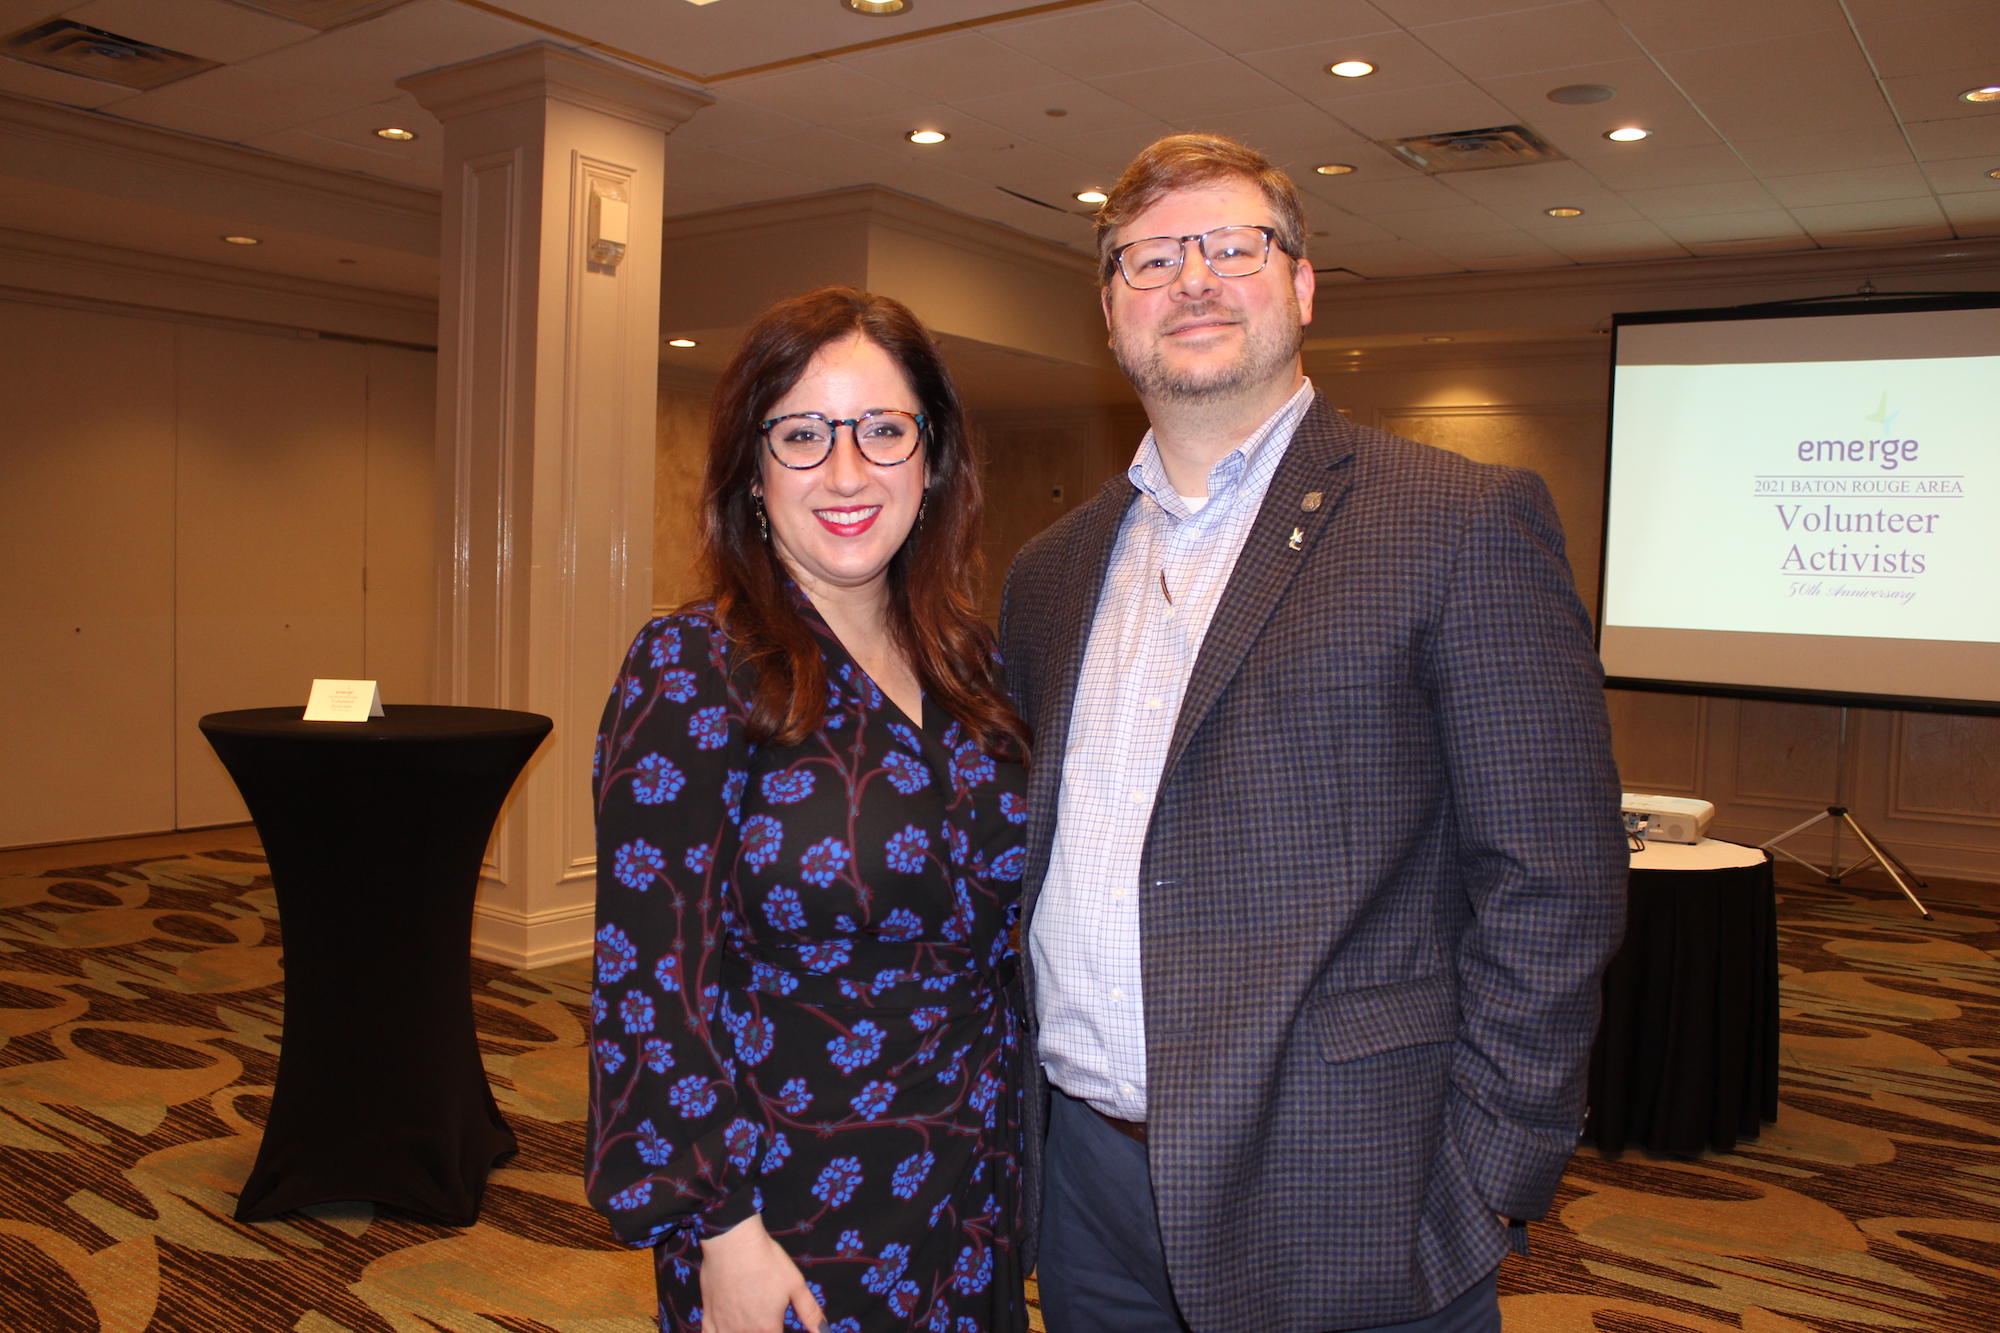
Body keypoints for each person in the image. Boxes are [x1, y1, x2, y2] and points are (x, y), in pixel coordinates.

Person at [998, 134, 1627, 1333]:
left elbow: (1553, 881)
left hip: (1351, 1183)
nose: (1192, 279)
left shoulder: (1456, 523)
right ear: (1109, 309)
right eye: (1150, 258)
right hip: (1087, 1188)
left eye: (1232, 247)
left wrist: (1491, 1170)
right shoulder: (1047, 572)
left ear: (1299, 284)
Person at [588, 286, 1032, 1333]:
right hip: (788, 1206)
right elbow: (649, 979)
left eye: (882, 430)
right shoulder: (694, 666)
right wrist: (720, 1229)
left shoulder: (973, 666)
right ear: (751, 469)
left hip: (971, 1187)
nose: (845, 471)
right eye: (801, 435)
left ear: (932, 457)